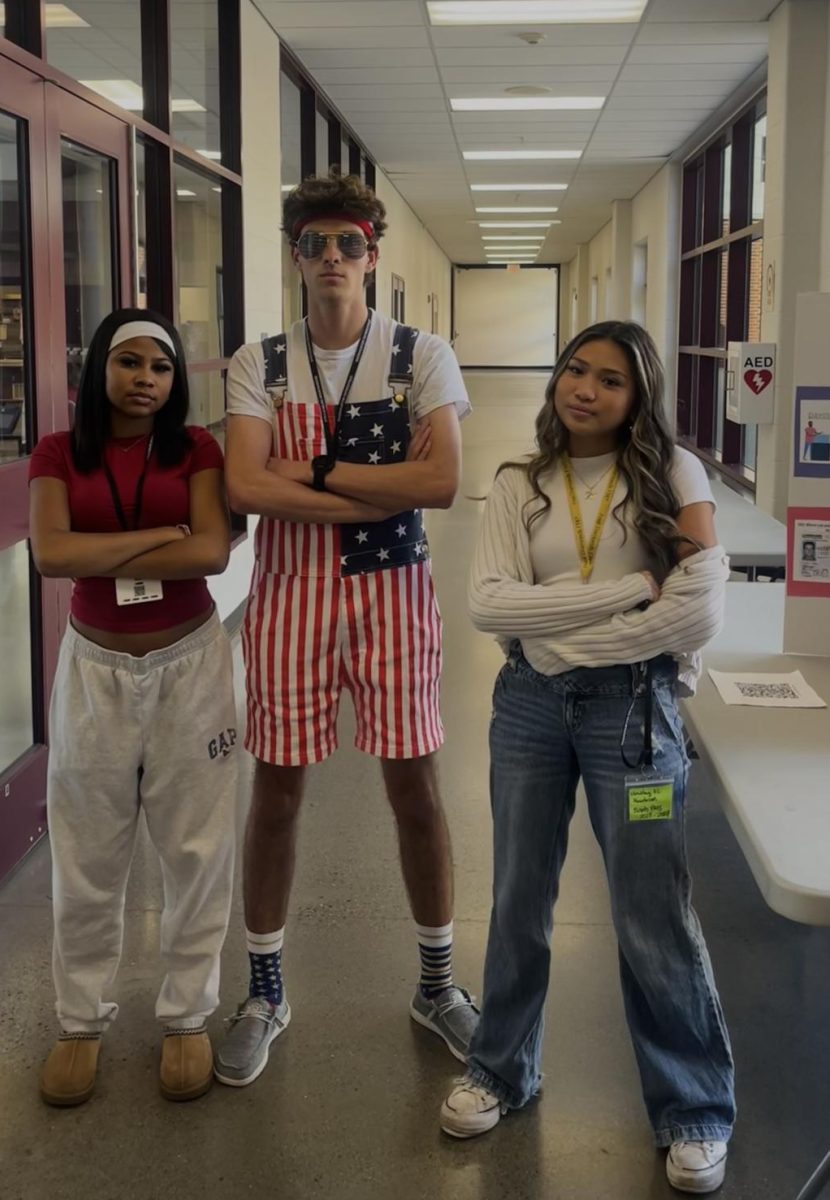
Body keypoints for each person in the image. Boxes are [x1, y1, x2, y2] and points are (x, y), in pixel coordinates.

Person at [440, 321, 735, 1196]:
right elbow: (491, 605)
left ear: (638, 397)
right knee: (518, 897)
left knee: (652, 911)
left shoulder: (673, 475)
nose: (586, 388)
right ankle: (500, 1069)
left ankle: (693, 1107)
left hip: (634, 715)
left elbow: (700, 611)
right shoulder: (516, 484)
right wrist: (616, 597)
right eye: (576, 369)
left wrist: (566, 628)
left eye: (610, 379)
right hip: (529, 708)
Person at [219, 169, 477, 1087]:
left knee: (416, 791)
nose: (332, 258)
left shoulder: (420, 354)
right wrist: (370, 483)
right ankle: (265, 990)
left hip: (395, 598)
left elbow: (442, 484)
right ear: (294, 256)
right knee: (277, 797)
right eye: (315, 244)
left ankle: (438, 985)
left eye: (348, 244)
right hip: (288, 596)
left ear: (373, 254)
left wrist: (314, 475)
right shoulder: (260, 362)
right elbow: (244, 488)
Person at [28, 308, 237, 1107]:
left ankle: (186, 1013)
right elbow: (52, 554)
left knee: (196, 847)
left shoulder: (198, 448)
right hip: (95, 671)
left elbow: (211, 550)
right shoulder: (56, 452)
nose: (146, 379)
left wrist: (104, 545)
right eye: (130, 363)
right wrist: (158, 535)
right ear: (100, 371)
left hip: (191, 665)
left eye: (160, 367)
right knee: (87, 852)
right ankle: (80, 1019)